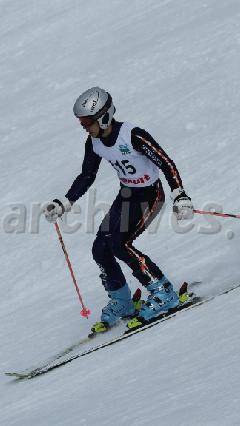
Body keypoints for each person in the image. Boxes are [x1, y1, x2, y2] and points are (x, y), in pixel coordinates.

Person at [43, 87, 194, 333]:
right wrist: (65, 202)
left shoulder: (132, 135)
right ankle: (123, 302)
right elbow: (87, 175)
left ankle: (163, 292)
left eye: (87, 122)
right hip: (127, 195)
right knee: (100, 247)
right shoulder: (94, 142)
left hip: (150, 195)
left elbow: (165, 162)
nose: (84, 127)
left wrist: (179, 193)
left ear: (104, 116)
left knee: (120, 244)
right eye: (81, 122)